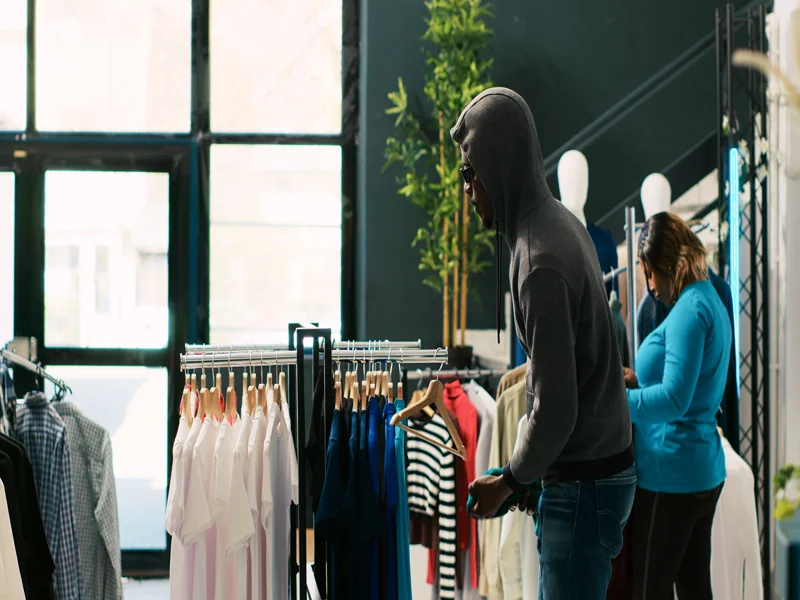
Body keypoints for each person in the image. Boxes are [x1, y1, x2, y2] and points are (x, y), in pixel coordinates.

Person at [452, 86, 637, 598]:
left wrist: (510, 480)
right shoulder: (556, 223)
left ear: (498, 167)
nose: (466, 189)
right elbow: (563, 368)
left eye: (470, 173)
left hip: (585, 483)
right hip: (594, 470)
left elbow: (556, 410)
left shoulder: (538, 261)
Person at [623, 212, 730, 600]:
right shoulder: (709, 299)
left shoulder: (688, 310)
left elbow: (673, 398)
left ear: (668, 265)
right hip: (699, 470)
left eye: (650, 274)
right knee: (694, 588)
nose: (650, 286)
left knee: (650, 591)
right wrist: (637, 383)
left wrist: (618, 401)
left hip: (671, 473)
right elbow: (690, 387)